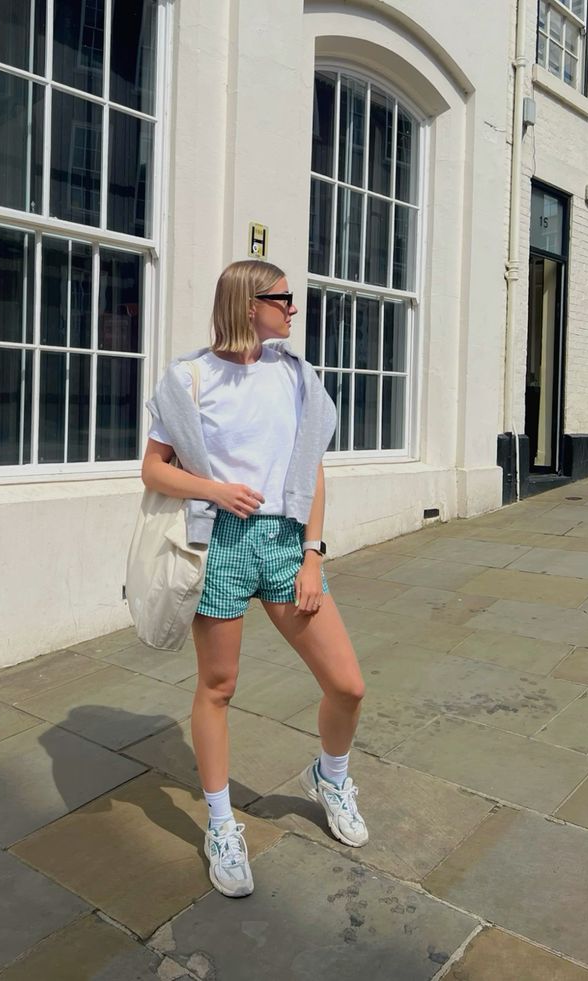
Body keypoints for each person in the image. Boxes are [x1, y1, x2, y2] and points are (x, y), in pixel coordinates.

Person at [142, 259, 368, 899]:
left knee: (347, 685)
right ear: (249, 304)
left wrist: (313, 556)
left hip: (286, 542)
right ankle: (220, 824)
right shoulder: (189, 379)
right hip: (219, 543)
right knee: (218, 687)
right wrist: (213, 487)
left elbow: (312, 467)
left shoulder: (296, 377)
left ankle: (330, 776)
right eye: (284, 299)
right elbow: (154, 471)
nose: (294, 309)